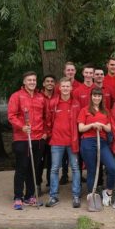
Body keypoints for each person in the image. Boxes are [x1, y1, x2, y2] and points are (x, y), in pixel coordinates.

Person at [8, 71, 47, 210]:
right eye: (29, 80)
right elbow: (12, 116)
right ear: (24, 82)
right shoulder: (16, 96)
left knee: (33, 168)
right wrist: (22, 127)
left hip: (38, 139)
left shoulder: (40, 97)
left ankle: (30, 196)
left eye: (34, 80)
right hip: (22, 138)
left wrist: (45, 132)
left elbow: (45, 117)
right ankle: (18, 197)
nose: (32, 82)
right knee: (22, 168)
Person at [45, 78, 82, 208]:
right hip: (56, 141)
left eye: (68, 86)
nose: (66, 88)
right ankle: (53, 196)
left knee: (76, 169)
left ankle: (76, 196)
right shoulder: (54, 103)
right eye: (63, 86)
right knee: (54, 168)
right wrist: (50, 135)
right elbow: (48, 121)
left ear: (71, 88)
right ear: (59, 88)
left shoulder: (76, 104)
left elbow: (80, 122)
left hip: (72, 142)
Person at [78, 88, 115, 206]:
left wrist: (102, 126)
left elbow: (109, 128)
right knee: (92, 170)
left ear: (101, 98)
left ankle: (108, 192)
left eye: (99, 96)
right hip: (88, 141)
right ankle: (92, 195)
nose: (97, 98)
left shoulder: (105, 111)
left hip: (102, 142)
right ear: (91, 97)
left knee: (112, 167)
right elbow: (81, 128)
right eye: (95, 95)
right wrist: (92, 125)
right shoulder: (84, 111)